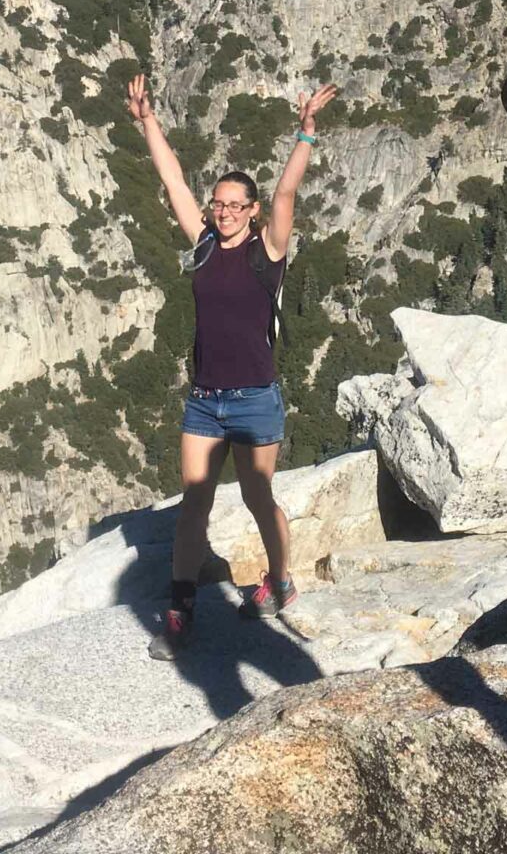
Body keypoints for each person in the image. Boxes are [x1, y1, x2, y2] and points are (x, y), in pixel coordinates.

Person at [124, 72, 339, 660]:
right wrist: (147, 122)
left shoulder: (267, 252)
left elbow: (288, 196)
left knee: (256, 496)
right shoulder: (201, 245)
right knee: (194, 501)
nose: (221, 212)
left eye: (233, 205)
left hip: (254, 399)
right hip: (205, 399)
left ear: (251, 211)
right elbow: (172, 183)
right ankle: (180, 608)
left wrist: (305, 135)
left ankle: (280, 577)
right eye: (217, 203)